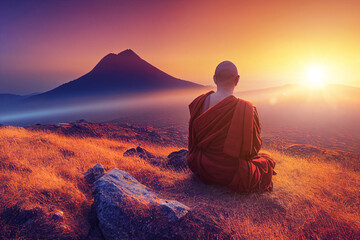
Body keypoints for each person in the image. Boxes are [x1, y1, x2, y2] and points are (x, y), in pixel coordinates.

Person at [186, 61, 276, 193]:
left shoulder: (200, 102)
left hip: (200, 165)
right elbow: (252, 149)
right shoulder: (246, 109)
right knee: (266, 162)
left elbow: (193, 140)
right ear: (237, 80)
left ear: (215, 79)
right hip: (229, 173)